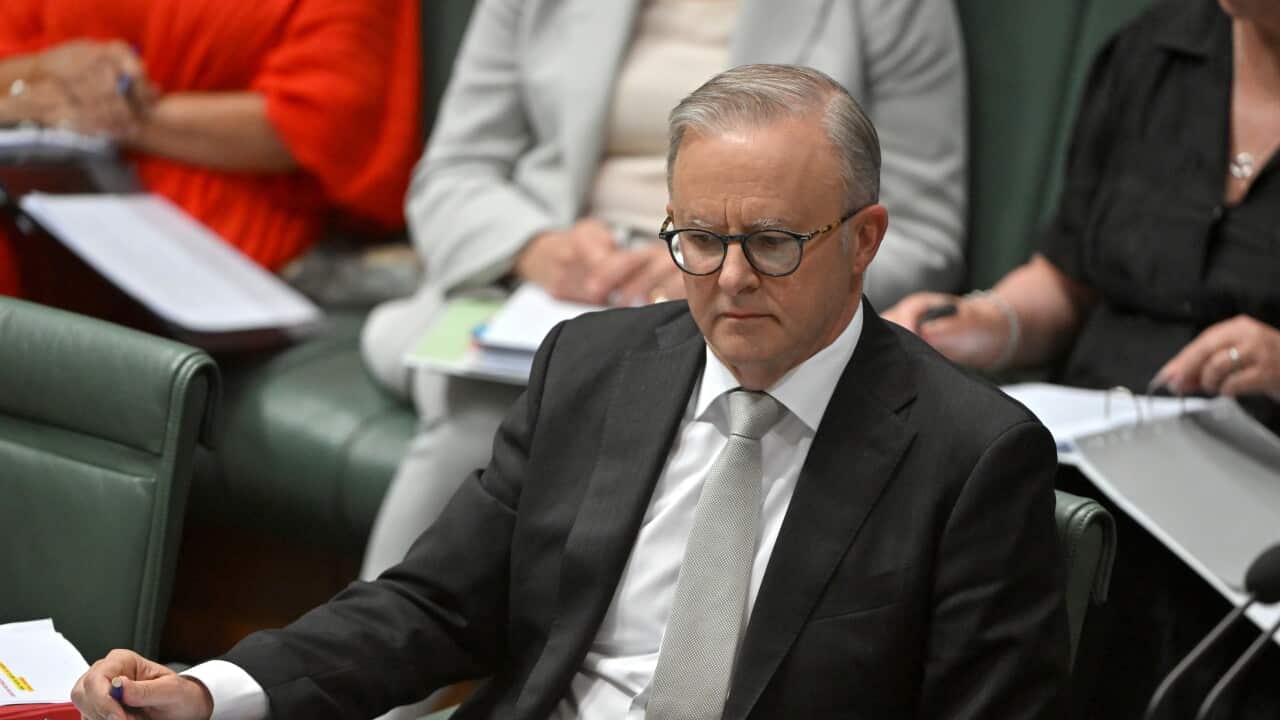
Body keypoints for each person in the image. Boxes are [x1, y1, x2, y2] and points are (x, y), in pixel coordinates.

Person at [71, 65, 1068, 720]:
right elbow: (432, 607)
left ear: (864, 241)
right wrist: (213, 692)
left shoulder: (969, 456)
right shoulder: (593, 367)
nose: (727, 280)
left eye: (769, 242)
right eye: (698, 240)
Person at [358, 0, 968, 588]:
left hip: (736, 292)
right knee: (500, 393)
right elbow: (451, 174)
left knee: (498, 415)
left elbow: (921, 234)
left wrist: (717, 260)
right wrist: (537, 249)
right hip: (540, 285)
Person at [885, 0, 1280, 716]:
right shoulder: (1154, 49)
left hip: (1254, 521)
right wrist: (979, 324)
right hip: (1100, 464)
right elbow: (1070, 281)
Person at [0, 0, 422, 299]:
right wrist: (40, 73)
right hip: (42, 196)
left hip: (225, 234)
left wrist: (111, 114)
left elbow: (318, 120)